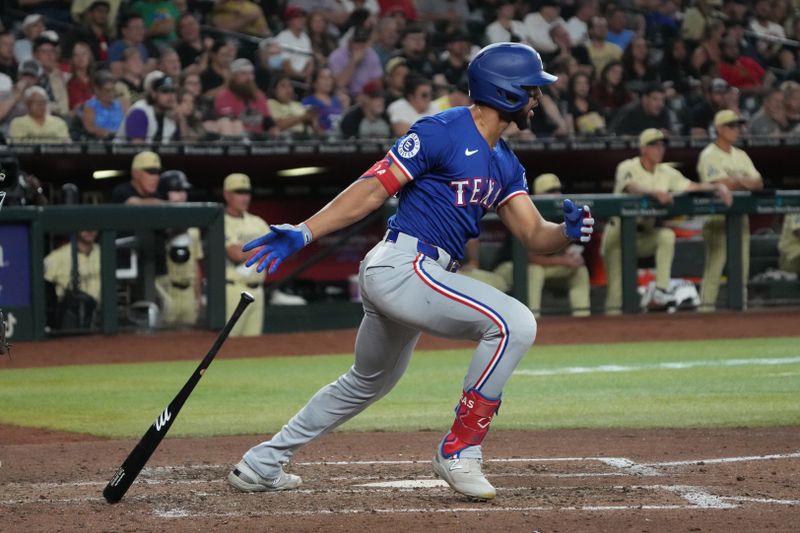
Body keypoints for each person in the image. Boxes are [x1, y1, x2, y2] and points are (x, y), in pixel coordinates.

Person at [225, 42, 595, 501]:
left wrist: (568, 231)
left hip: (418, 274)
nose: (538, 99)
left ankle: (262, 463)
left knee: (367, 382)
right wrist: (304, 231)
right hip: (403, 264)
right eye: (532, 90)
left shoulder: (506, 163)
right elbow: (371, 190)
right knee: (513, 323)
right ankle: (459, 449)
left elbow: (536, 236)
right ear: (506, 93)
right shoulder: (442, 129)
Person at [601, 128, 732, 314]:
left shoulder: (667, 172)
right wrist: (655, 193)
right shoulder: (627, 166)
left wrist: (717, 186)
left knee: (665, 236)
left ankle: (660, 291)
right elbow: (631, 187)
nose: (659, 149)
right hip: (618, 235)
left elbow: (692, 186)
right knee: (616, 292)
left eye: (662, 145)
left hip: (645, 234)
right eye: (654, 145)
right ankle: (608, 333)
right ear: (643, 148)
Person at [462, 173, 592, 318]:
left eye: (558, 190)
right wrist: (563, 261)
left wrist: (572, 257)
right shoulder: (525, 214)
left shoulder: (559, 215)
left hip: (544, 266)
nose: (557, 195)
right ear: (537, 195)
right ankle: (532, 319)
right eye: (550, 191)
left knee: (579, 270)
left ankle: (583, 320)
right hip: (511, 268)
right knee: (534, 270)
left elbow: (561, 249)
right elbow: (530, 258)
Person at [697, 110, 763, 312]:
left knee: (741, 269)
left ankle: (739, 313)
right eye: (731, 126)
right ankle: (705, 311)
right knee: (715, 268)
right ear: (719, 129)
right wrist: (743, 182)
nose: (737, 130)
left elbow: (758, 183)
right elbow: (718, 183)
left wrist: (735, 181)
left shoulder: (741, 155)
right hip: (717, 218)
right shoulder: (709, 155)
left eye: (738, 126)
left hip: (740, 218)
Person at [222, 173, 268, 337]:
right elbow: (234, 254)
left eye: (246, 192)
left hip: (257, 290)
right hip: (234, 289)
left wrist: (247, 251)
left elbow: (273, 250)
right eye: (239, 192)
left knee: (253, 344)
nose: (244, 197)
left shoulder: (257, 222)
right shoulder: (221, 221)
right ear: (227, 195)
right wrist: (261, 249)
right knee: (229, 342)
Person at [156, 170, 204, 327]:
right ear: (164, 194)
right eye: (176, 191)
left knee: (187, 341)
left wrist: (198, 296)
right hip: (165, 290)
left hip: (188, 292)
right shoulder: (154, 227)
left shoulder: (194, 229)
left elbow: (196, 265)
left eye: (184, 191)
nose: (182, 195)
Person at [115, 70, 178, 143]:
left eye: (173, 91)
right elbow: (136, 148)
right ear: (153, 94)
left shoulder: (170, 116)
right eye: (165, 91)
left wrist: (182, 118)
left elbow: (187, 146)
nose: (171, 96)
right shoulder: (139, 112)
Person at [44, 230, 101, 304]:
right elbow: (39, 283)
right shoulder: (57, 256)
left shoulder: (105, 252)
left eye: (93, 224)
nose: (89, 229)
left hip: (104, 311)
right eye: (84, 224)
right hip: (71, 312)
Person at [81, 70, 126, 139]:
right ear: (97, 90)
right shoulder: (90, 106)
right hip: (101, 142)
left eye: (113, 90)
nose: (111, 94)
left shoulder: (122, 104)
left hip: (123, 140)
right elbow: (89, 128)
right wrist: (107, 133)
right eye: (107, 90)